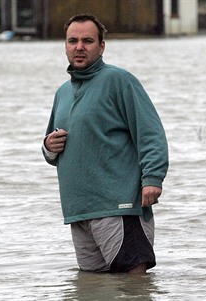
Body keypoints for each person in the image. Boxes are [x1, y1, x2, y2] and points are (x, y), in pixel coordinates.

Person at [42, 14, 168, 274]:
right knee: (94, 289)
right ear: (65, 46)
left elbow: (150, 132)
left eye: (88, 40)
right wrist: (47, 146)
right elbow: (51, 148)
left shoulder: (120, 81)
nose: (79, 47)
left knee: (134, 286)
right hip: (78, 212)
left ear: (101, 46)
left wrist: (153, 178)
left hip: (118, 206)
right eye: (72, 41)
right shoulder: (62, 93)